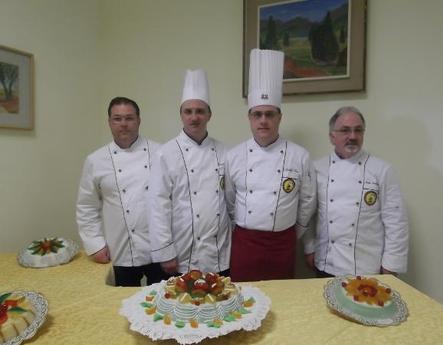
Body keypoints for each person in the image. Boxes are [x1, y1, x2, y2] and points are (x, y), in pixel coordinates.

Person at [225, 49, 317, 282]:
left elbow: (307, 201)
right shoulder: (234, 156)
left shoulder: (300, 156)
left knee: (282, 302)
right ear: (249, 118)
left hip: (282, 244)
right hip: (245, 243)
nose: (263, 120)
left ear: (279, 117)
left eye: (269, 114)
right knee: (243, 301)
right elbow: (229, 199)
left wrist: (292, 232)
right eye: (257, 114)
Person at [304, 106, 409, 277]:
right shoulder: (317, 169)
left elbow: (396, 221)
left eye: (358, 130)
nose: (352, 136)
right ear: (332, 137)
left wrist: (392, 263)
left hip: (367, 267)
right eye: (345, 130)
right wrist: (309, 248)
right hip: (326, 264)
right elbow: (308, 214)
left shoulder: (382, 170)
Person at [147, 69, 231, 276]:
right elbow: (158, 206)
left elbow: (231, 202)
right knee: (183, 306)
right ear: (181, 115)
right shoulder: (164, 153)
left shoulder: (225, 152)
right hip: (181, 253)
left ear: (209, 115)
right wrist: (165, 252)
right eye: (188, 111)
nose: (194, 117)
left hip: (219, 253)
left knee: (220, 305)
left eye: (200, 111)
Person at [76, 96, 166, 286]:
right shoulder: (95, 160)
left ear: (139, 120)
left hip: (160, 247)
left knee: (160, 305)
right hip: (120, 249)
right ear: (109, 122)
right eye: (117, 119)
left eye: (129, 118)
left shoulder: (161, 153)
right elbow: (86, 207)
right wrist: (95, 244)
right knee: (121, 305)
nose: (123, 124)